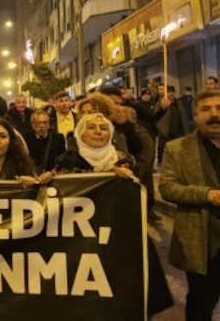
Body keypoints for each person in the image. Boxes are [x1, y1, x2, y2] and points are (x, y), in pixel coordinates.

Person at [56, 112, 173, 316]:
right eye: (91, 127)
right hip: (81, 241)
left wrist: (129, 179)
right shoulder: (65, 162)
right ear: (80, 133)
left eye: (103, 128)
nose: (98, 132)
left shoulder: (124, 160)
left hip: (120, 238)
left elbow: (142, 199)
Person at [160, 90, 220, 320]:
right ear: (195, 116)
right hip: (201, 241)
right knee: (201, 302)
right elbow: (167, 186)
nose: (214, 114)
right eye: (206, 109)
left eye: (219, 108)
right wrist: (206, 195)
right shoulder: (177, 148)